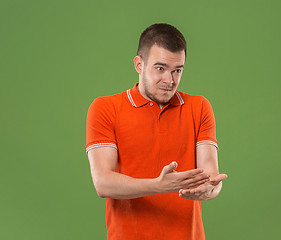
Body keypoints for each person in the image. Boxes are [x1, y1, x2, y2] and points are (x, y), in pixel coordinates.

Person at [86, 23, 227, 240]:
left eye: (177, 70)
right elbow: (103, 183)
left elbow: (211, 176)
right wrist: (159, 186)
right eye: (160, 69)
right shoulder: (106, 108)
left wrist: (210, 190)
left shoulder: (199, 107)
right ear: (139, 64)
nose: (169, 81)